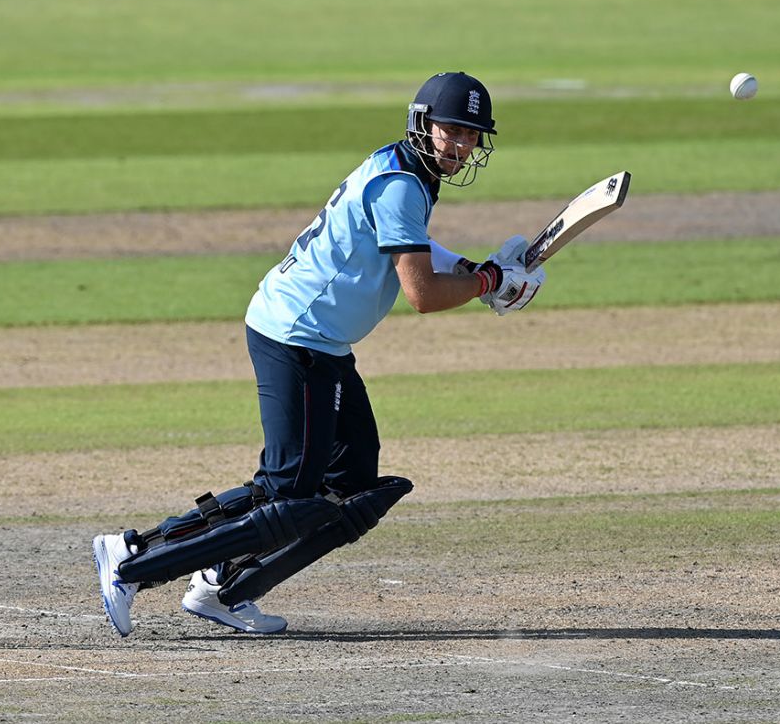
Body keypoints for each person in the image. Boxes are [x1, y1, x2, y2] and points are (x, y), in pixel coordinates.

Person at [92, 71, 546, 635]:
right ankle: (133, 558)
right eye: (451, 129)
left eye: (471, 135)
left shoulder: (403, 169)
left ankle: (223, 588)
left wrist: (475, 270)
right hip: (297, 337)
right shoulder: (402, 183)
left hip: (319, 340)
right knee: (291, 497)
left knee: (351, 481)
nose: (459, 144)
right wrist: (489, 282)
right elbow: (422, 295)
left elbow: (411, 246)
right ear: (424, 124)